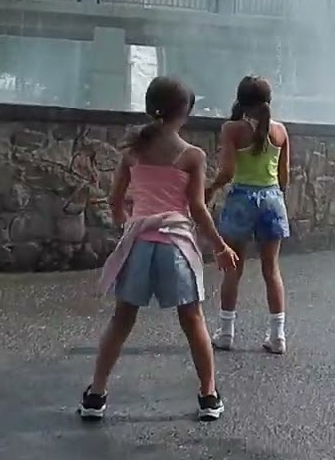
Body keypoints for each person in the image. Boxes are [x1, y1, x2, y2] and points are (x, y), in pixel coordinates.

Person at [79, 76, 239, 422]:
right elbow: (197, 209)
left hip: (139, 244)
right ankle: (208, 396)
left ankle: (96, 395)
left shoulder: (133, 153)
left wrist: (129, 223)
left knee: (121, 320)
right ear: (185, 111)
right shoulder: (191, 156)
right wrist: (220, 246)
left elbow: (115, 200)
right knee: (192, 319)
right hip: (175, 246)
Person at [206, 76, 292, 354]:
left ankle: (226, 332)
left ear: (240, 100)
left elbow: (228, 171)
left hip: (242, 198)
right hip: (272, 198)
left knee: (233, 268)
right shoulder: (280, 131)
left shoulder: (232, 129)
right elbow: (284, 176)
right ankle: (278, 335)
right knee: (271, 269)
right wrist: (276, 198)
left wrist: (211, 188)